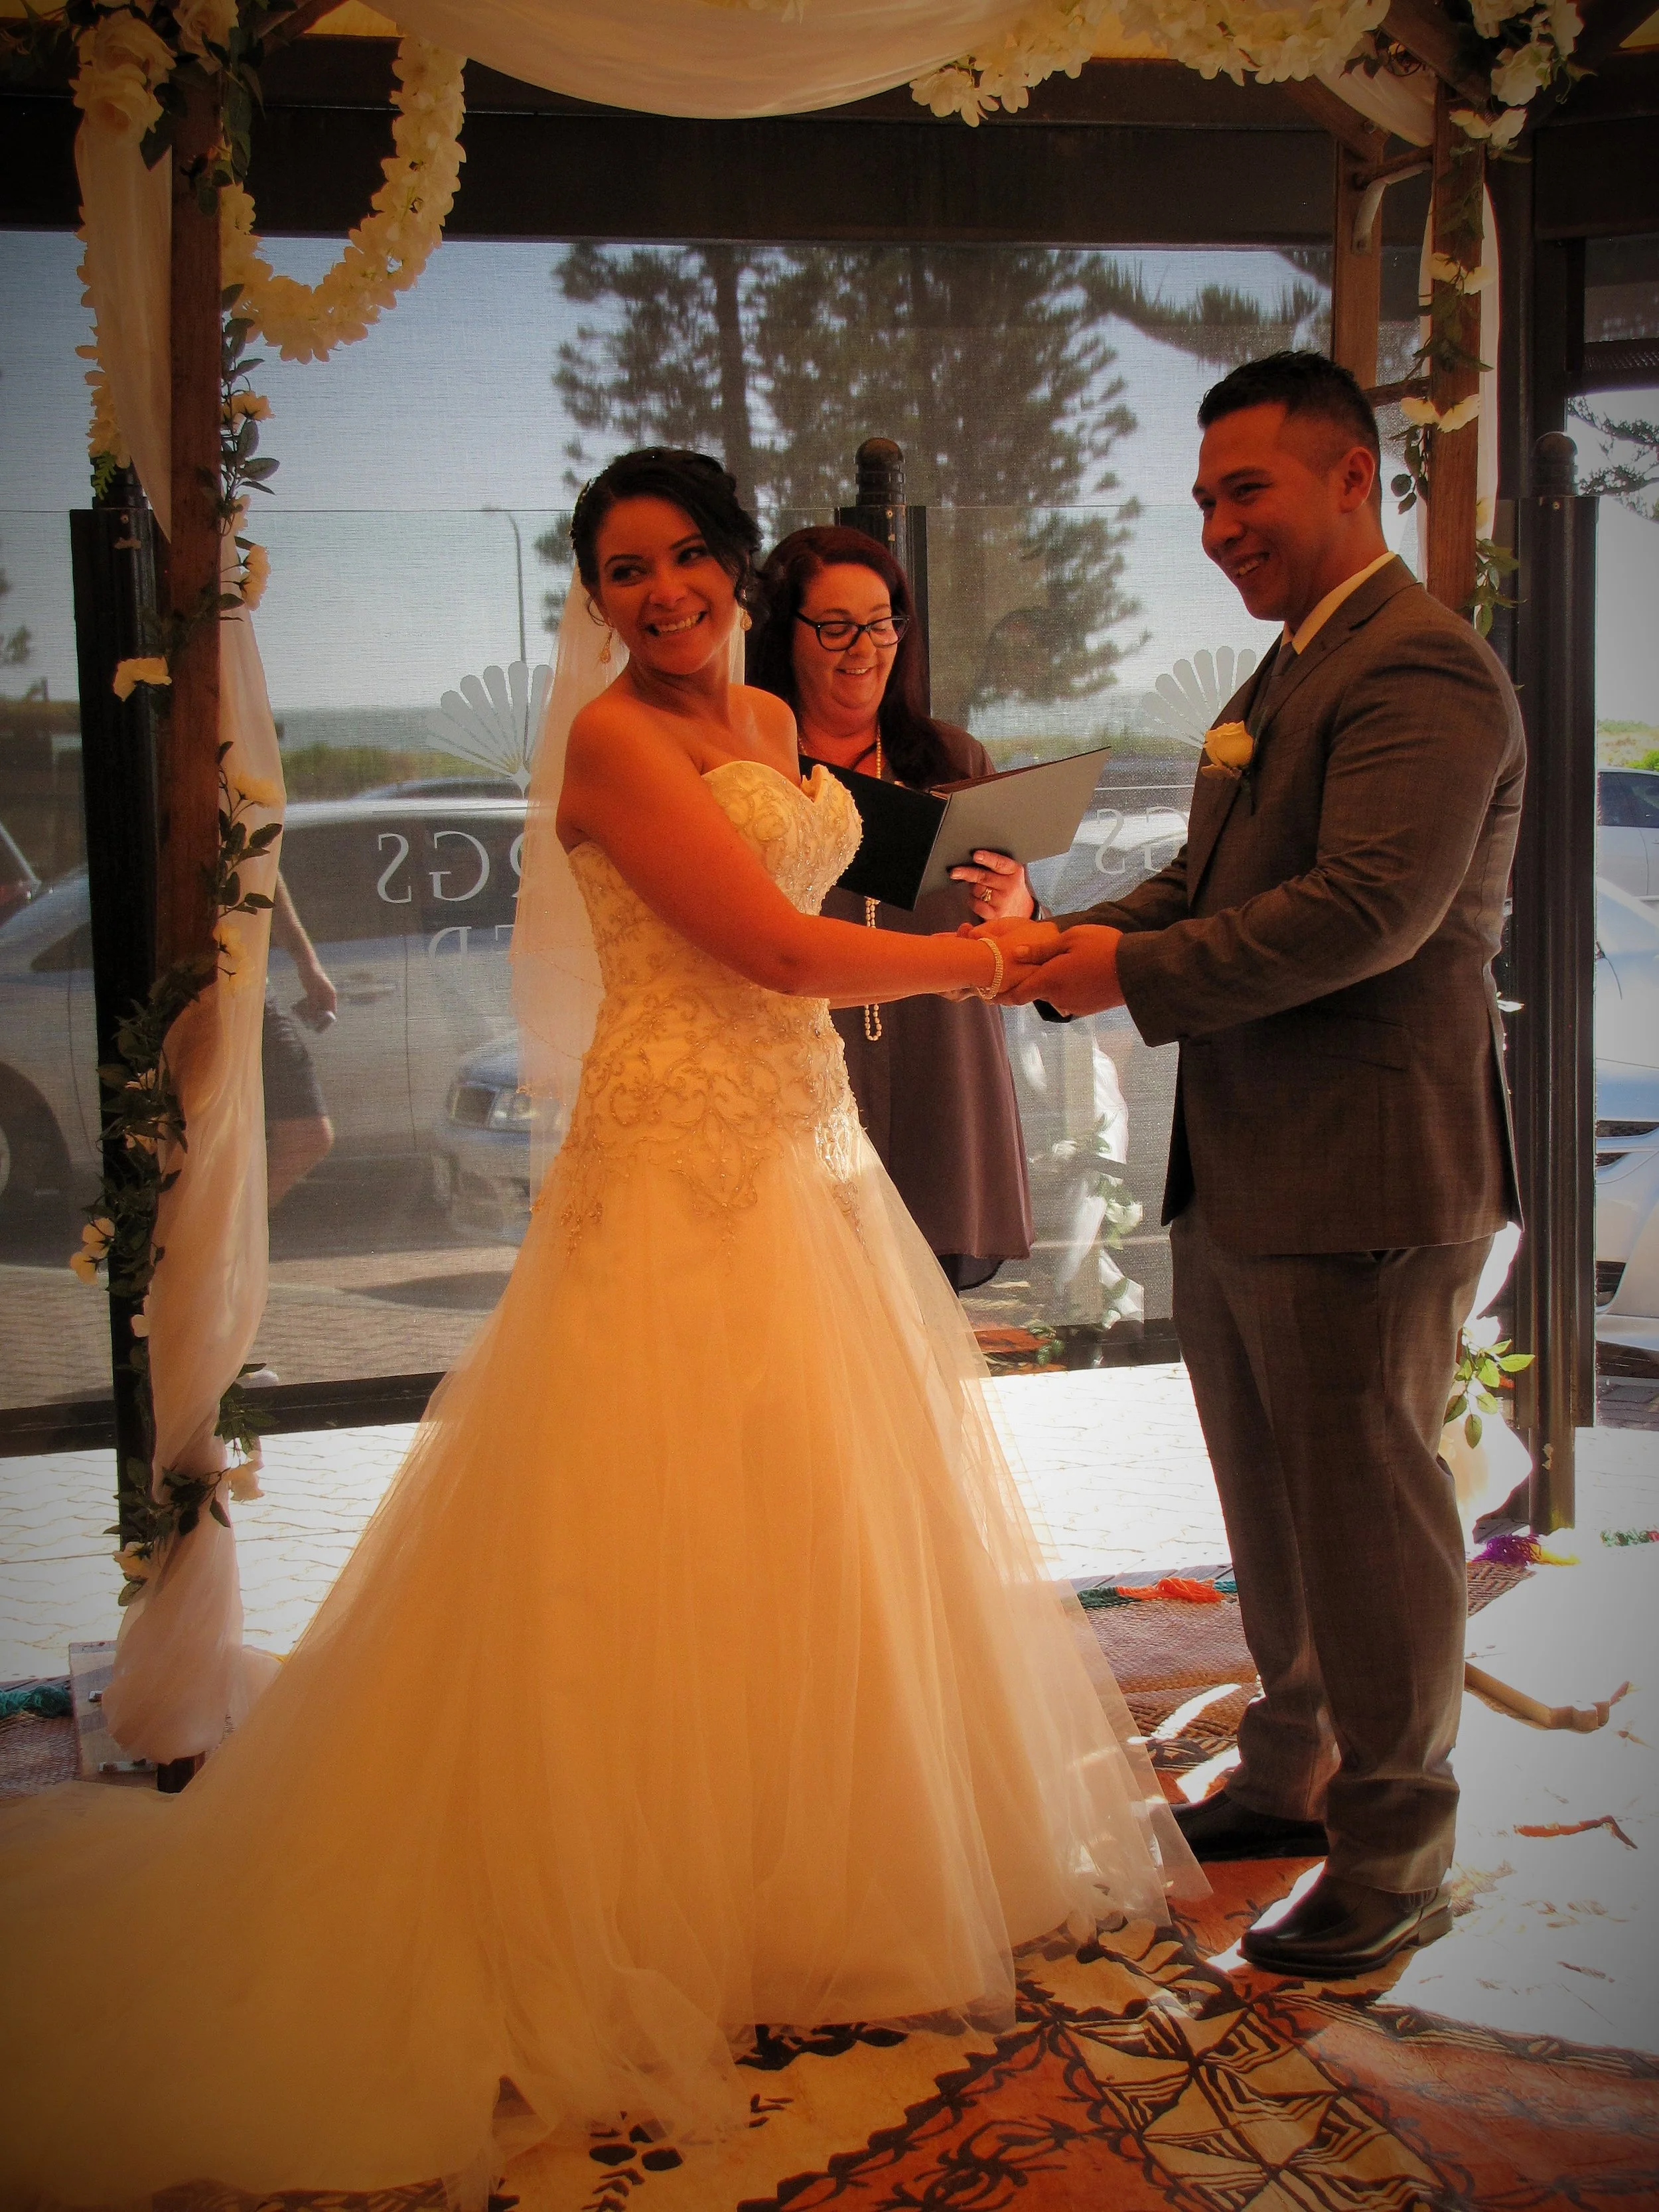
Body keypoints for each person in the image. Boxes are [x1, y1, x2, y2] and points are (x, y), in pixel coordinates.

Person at [0, 449, 1195, 2199]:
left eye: (686, 559)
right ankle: (633, 1900)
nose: (661, 596)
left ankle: (815, 1880)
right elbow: (775, 955)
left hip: (811, 1166)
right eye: (623, 571)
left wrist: (990, 896)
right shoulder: (612, 749)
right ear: (595, 594)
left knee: (821, 1520)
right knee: (646, 1527)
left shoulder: (781, 718)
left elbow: (858, 878)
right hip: (671, 1168)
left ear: (729, 564)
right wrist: (989, 970)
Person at [980, 354, 1525, 1980]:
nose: (1217, 524)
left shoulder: (1422, 672)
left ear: (1351, 478)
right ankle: (1288, 1776)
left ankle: (1397, 1848)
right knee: (1272, 1502)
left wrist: (1116, 977)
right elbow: (1208, 871)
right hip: (1251, 1165)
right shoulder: (1292, 666)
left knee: (1367, 1518)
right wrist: (1069, 935)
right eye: (1205, 497)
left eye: (1247, 490)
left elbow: (1370, 910)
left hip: (1364, 1176)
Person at [750, 526, 1034, 1291]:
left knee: (920, 1346)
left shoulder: (951, 760)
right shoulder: (752, 772)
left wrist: (1013, 898)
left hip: (940, 1065)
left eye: (882, 623)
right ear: (786, 635)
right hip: (802, 1072)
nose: (864, 647)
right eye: (836, 626)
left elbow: (1013, 924)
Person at [263, 870, 338, 1211]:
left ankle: (221, 1247)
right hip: (185, 991)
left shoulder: (240, 821)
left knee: (307, 1135)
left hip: (247, 989)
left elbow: (262, 867)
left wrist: (308, 963)